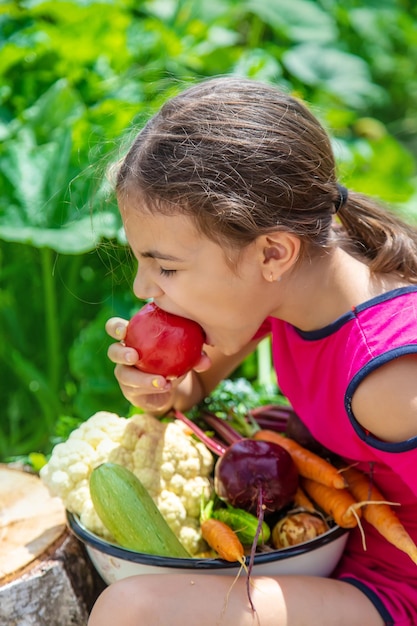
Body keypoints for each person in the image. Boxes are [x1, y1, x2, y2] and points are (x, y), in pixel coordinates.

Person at [88, 77, 417, 626]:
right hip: (333, 545)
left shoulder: (389, 377)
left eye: (166, 267)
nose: (145, 288)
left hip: (395, 584)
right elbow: (189, 389)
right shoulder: (289, 288)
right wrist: (159, 383)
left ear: (272, 252)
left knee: (132, 610)